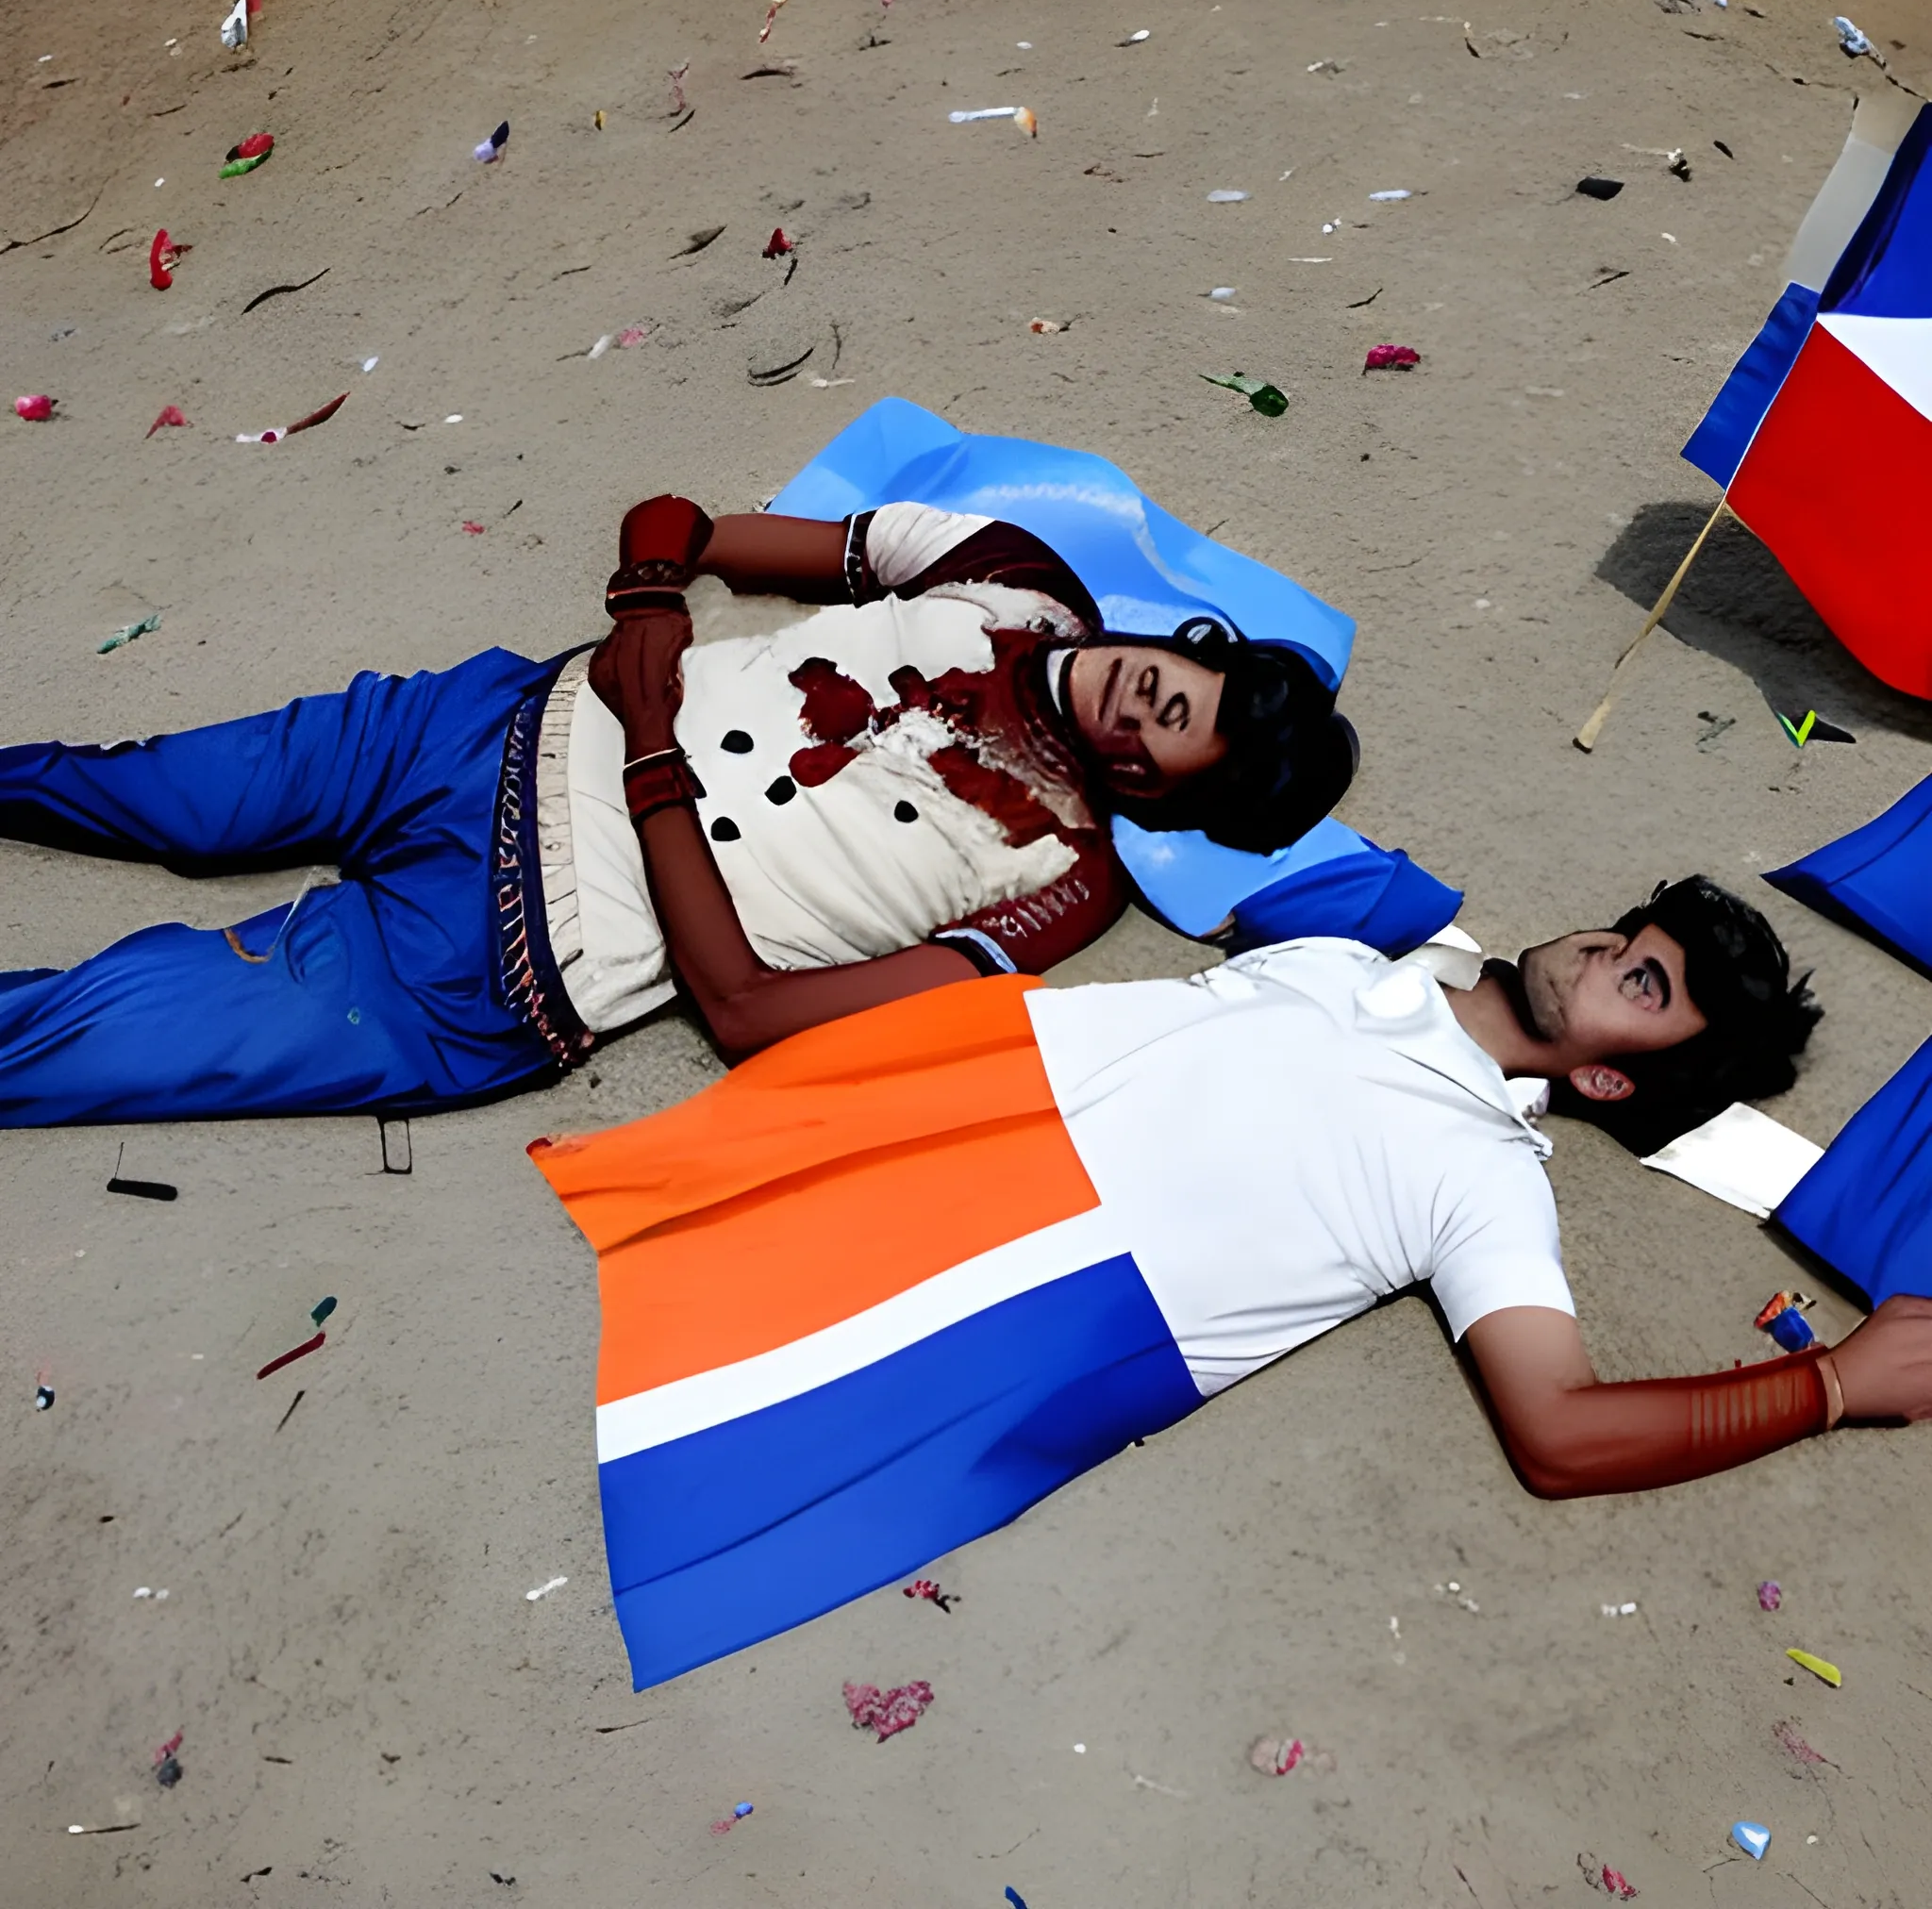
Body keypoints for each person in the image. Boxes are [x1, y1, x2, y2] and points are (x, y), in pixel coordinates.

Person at [533, 873, 1932, 1685]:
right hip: (962, 1122)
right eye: (1631, 936)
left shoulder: (1487, 1175)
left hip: (1029, 1262)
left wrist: (1832, 1384)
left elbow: (1561, 1431)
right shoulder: (1349, 955)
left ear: (1613, 1079)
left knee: (731, 1406)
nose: (1608, 951)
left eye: (1644, 983)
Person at [0, 494, 1356, 1125]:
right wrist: (650, 598)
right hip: (472, 727)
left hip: (491, 967)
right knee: (138, 789)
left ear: (1149, 788)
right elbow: (682, 521)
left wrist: (658, 754)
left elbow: (752, 1015)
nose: (1144, 700)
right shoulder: (1019, 575)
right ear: (1200, 643)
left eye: (1169, 735)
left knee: (73, 1042)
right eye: (1188, 679)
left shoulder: (1067, 882)